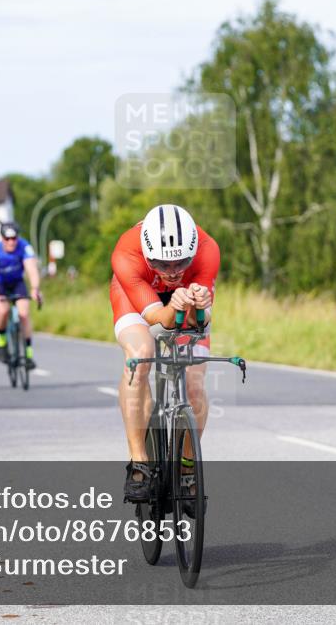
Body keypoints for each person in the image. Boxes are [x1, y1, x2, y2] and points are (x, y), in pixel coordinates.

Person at [109, 205, 219, 502]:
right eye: (162, 263)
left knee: (195, 383)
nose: (171, 273)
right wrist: (175, 306)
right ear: (147, 253)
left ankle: (186, 467)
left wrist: (199, 305)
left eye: (180, 262)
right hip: (136, 298)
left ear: (193, 250)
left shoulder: (208, 249)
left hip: (186, 298)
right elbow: (160, 319)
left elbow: (200, 321)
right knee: (140, 354)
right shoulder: (126, 253)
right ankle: (139, 462)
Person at [0, 221, 41, 368]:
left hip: (17, 282)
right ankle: (1, 342)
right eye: (7, 239)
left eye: (14, 238)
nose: (11, 242)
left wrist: (35, 289)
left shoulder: (24, 246)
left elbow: (31, 269)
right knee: (2, 310)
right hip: (0, 284)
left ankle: (28, 355)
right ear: (2, 238)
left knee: (24, 313)